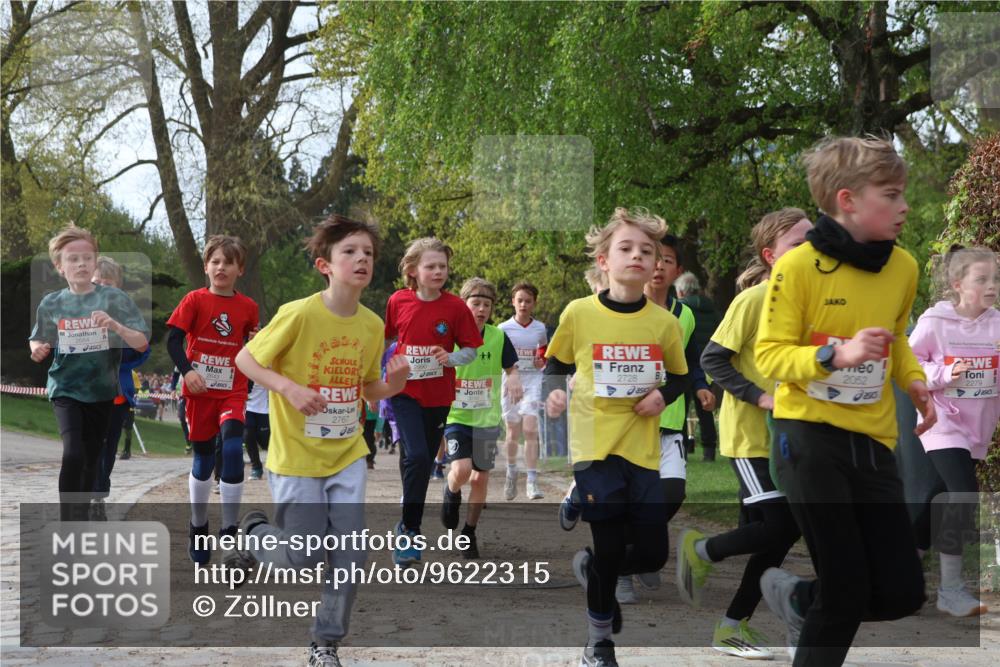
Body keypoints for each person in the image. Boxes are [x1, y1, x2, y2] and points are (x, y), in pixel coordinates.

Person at [755, 136, 936, 666]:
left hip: (872, 440)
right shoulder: (798, 268)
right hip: (806, 439)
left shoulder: (903, 266)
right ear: (847, 199)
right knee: (847, 588)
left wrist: (914, 380)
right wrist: (837, 354)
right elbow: (770, 356)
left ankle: (797, 597)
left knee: (903, 592)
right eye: (891, 194)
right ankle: (817, 599)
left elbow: (897, 338)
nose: (904, 207)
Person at [235, 214, 409, 667]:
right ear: (324, 265)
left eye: (368, 253)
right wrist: (288, 388)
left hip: (347, 451)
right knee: (302, 556)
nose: (361, 259)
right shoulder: (299, 313)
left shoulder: (372, 326)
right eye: (349, 251)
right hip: (295, 454)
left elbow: (366, 388)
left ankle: (324, 642)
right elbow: (246, 359)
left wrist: (391, 387)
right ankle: (253, 531)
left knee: (352, 553)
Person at [544, 207, 688, 667]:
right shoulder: (579, 313)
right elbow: (555, 365)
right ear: (604, 260)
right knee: (610, 545)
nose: (638, 256)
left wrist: (662, 397)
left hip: (643, 450)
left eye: (648, 251)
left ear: (657, 264)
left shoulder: (663, 322)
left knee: (651, 553)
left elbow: (682, 377)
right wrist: (553, 399)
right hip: (594, 448)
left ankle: (591, 569)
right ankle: (599, 643)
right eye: (626, 248)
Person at [676, 208, 812, 659]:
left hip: (795, 437)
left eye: (815, 240)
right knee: (781, 527)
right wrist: (761, 397)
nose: (810, 249)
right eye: (798, 243)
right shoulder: (755, 300)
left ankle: (732, 626)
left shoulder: (813, 303)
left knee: (772, 539)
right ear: (771, 256)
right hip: (752, 436)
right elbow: (714, 360)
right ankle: (703, 549)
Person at [616, 233, 713, 604]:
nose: (658, 266)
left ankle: (636, 556)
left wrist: (701, 386)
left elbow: (688, 361)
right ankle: (624, 570)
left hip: (670, 423)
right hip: (629, 422)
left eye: (667, 260)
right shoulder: (623, 307)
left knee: (672, 494)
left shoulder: (684, 314)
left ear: (678, 270)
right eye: (653, 258)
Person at [29, 225, 149, 521]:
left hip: (102, 391)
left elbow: (141, 341)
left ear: (95, 262)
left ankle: (80, 517)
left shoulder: (114, 299)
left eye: (87, 258)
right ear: (60, 267)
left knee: (91, 460)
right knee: (73, 454)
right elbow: (37, 337)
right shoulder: (52, 303)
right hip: (65, 388)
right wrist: (37, 348)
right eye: (73, 259)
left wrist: (116, 327)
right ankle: (68, 522)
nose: (81, 264)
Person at [908, 245, 1000, 617]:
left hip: (976, 426)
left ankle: (899, 576)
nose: (992, 285)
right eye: (983, 279)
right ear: (957, 284)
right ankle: (951, 590)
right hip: (940, 420)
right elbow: (910, 365)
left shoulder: (997, 323)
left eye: (995, 278)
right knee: (962, 494)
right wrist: (944, 374)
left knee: (933, 497)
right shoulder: (935, 322)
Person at [385, 237, 483, 566]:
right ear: (413, 270)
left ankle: (404, 516)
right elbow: (385, 339)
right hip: (404, 391)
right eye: (431, 266)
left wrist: (451, 357)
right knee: (415, 456)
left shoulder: (455, 307)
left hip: (439, 396)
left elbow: (470, 348)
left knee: (422, 462)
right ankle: (409, 532)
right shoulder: (398, 301)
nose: (438, 271)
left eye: (442, 266)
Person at [166, 235, 259, 568]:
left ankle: (230, 532)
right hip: (200, 390)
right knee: (204, 461)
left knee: (233, 448)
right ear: (206, 267)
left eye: (228, 262)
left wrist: (256, 342)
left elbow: (251, 344)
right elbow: (173, 340)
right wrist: (187, 371)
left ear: (240, 269)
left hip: (232, 388)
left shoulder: (248, 307)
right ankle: (198, 524)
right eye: (215, 261)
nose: (221, 267)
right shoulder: (194, 300)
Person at [441, 277, 523, 559]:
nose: (481, 309)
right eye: (475, 303)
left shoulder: (498, 336)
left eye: (486, 305)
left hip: (487, 419)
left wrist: (514, 379)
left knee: (480, 479)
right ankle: (451, 491)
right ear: (464, 305)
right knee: (462, 471)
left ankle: (469, 532)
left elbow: (511, 368)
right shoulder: (449, 336)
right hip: (457, 416)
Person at [91, 256, 151, 515]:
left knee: (108, 449)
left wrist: (117, 337)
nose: (102, 288)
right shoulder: (74, 311)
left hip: (116, 395)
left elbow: (142, 351)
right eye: (97, 283)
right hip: (82, 394)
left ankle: (98, 495)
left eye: (108, 283)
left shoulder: (126, 317)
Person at [499, 282, 548, 500]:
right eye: (519, 300)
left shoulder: (540, 328)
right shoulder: (503, 329)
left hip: (533, 381)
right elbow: (500, 357)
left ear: (534, 303)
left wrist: (541, 360)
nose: (523, 305)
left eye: (528, 301)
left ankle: (531, 480)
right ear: (513, 302)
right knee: (513, 432)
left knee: (530, 429)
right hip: (511, 381)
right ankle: (511, 471)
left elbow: (543, 351)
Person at [676, 270, 721, 460]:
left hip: (686, 363)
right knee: (705, 408)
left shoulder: (679, 310)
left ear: (680, 292)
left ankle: (683, 449)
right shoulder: (712, 309)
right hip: (708, 365)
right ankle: (709, 451)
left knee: (682, 409)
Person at [244, 380, 269, 480]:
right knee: (248, 435)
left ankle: (278, 463)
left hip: (263, 408)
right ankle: (256, 468)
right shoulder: (243, 365)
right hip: (246, 407)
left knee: (265, 441)